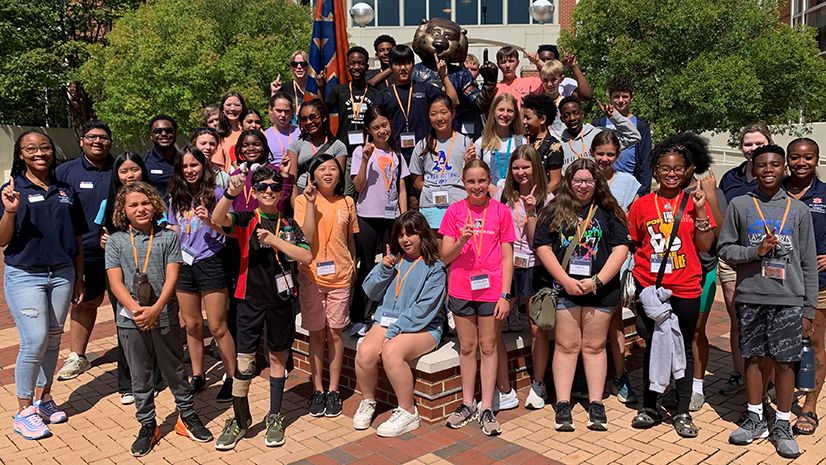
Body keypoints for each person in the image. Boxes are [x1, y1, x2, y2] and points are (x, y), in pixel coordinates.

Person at [719, 145, 818, 459]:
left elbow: (808, 263)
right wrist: (754, 252)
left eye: (775, 164)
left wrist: (808, 307)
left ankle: (783, 423)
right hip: (751, 296)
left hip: (788, 298)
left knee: (785, 362)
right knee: (752, 357)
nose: (769, 170)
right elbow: (725, 249)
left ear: (783, 168)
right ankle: (755, 418)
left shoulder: (798, 210)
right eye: (762, 165)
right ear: (754, 167)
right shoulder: (739, 205)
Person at [105, 182, 212, 456]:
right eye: (133, 205)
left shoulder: (167, 237)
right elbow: (116, 282)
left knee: (174, 369)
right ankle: (147, 424)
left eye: (145, 203)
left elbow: (172, 276)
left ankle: (186, 416)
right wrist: (137, 310)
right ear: (123, 210)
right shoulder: (116, 240)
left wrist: (156, 308)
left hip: (163, 316)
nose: (140, 209)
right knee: (140, 375)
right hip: (131, 319)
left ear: (155, 205)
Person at [211, 165, 312, 450]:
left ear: (281, 192)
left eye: (275, 187)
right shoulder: (246, 218)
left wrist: (275, 240)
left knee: (277, 359)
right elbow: (218, 219)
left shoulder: (289, 223)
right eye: (263, 187)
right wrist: (230, 193)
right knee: (244, 363)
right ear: (253, 192)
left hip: (281, 302)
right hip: (249, 300)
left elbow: (306, 255)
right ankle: (240, 420)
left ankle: (275, 416)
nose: (269, 191)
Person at [627, 137, 715, 438]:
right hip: (651, 288)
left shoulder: (694, 203)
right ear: (655, 170)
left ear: (688, 170)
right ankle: (650, 405)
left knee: (685, 346)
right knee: (651, 343)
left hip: (686, 288)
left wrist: (702, 213)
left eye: (678, 169)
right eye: (665, 168)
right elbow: (638, 243)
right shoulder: (641, 205)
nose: (671, 174)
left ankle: (683, 410)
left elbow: (705, 247)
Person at [534, 158, 630, 431]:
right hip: (565, 290)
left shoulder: (609, 211)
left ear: (597, 183)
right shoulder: (554, 210)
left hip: (600, 291)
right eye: (578, 180)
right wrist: (564, 280)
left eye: (589, 180)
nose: (583, 186)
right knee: (566, 347)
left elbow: (621, 248)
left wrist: (598, 281)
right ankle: (563, 404)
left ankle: (596, 403)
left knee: (595, 347)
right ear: (568, 182)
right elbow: (543, 247)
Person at [2, 130, 86, 440]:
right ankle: (24, 411)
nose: (40, 152)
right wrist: (10, 210)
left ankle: (44, 398)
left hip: (62, 273)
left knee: (53, 339)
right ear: (21, 154)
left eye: (45, 147)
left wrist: (79, 276)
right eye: (31, 148)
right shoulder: (12, 189)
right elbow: (2, 240)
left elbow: (77, 236)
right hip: (25, 275)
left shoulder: (65, 189)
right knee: (34, 340)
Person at [353, 211, 446, 436]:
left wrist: (392, 332)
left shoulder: (436, 267)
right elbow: (370, 291)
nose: (406, 240)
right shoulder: (394, 260)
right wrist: (384, 269)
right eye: (401, 235)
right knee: (364, 353)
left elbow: (423, 310)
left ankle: (408, 411)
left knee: (392, 352)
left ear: (423, 234)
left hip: (424, 327)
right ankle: (368, 401)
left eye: (411, 234)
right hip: (388, 322)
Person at [440, 159, 516, 436]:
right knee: (468, 347)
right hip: (460, 289)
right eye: (471, 181)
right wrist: (460, 241)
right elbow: (444, 256)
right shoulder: (454, 211)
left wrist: (506, 295)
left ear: (489, 182)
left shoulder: (501, 211)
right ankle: (467, 403)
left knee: (488, 346)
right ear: (463, 182)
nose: (476, 186)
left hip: (492, 290)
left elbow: (508, 258)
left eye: (481, 181)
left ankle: (487, 406)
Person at [656, 134, 726, 413]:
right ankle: (676, 385)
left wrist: (708, 197)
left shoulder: (709, 190)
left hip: (702, 271)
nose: (676, 170)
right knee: (671, 332)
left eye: (682, 164)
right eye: (670, 164)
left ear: (691, 165)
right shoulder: (663, 192)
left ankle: (696, 384)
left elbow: (721, 234)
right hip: (669, 274)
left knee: (695, 332)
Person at [167, 147, 235, 402]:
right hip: (184, 265)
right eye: (184, 166)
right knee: (193, 324)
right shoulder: (176, 198)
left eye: (194, 165)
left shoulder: (217, 194)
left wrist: (209, 220)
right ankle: (198, 375)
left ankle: (231, 377)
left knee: (217, 326)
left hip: (210, 261)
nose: (189, 170)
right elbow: (175, 230)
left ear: (203, 167)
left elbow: (229, 228)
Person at [96, 152, 164, 405]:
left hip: (153, 272)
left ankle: (155, 379)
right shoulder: (108, 202)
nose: (130, 175)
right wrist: (105, 243)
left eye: (134, 169)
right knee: (127, 326)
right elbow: (101, 237)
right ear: (117, 174)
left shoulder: (152, 201)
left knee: (155, 324)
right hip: (120, 275)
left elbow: (164, 230)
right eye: (124, 171)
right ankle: (128, 383)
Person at [295, 154, 359, 418]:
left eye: (334, 169)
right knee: (316, 334)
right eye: (322, 169)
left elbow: (350, 240)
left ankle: (334, 390)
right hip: (311, 276)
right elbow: (304, 236)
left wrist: (353, 265)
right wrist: (310, 202)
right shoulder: (301, 201)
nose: (328, 173)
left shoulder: (347, 201)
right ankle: (317, 388)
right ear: (313, 175)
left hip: (340, 276)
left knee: (335, 333)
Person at [55, 120, 116, 382]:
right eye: (92, 137)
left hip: (121, 251)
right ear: (82, 140)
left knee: (125, 304)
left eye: (103, 138)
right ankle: (77, 356)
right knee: (85, 302)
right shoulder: (65, 172)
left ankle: (134, 356)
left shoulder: (122, 168)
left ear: (110, 142)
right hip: (85, 253)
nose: (97, 142)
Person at [493, 145, 552, 407]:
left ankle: (538, 384)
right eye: (516, 167)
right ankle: (503, 388)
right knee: (493, 324)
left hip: (535, 266)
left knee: (537, 329)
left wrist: (531, 211)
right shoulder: (503, 197)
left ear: (535, 167)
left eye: (525, 167)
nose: (520, 172)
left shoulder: (548, 199)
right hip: (507, 265)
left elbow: (535, 240)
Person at [717, 123, 773, 398]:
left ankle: (769, 379)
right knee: (738, 319)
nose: (753, 149)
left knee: (768, 319)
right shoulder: (730, 178)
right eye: (748, 144)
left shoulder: (777, 177)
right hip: (733, 259)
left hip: (769, 258)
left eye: (759, 143)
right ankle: (739, 373)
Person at [350, 106, 410, 337]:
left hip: (392, 218)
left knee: (392, 264)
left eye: (384, 125)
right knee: (366, 267)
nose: (382, 130)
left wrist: (404, 218)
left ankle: (387, 313)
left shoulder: (396, 155)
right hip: (367, 216)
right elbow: (358, 186)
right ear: (368, 130)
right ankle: (360, 317)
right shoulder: (361, 153)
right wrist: (365, 160)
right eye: (376, 127)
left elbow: (401, 188)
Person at [590, 131, 641, 404]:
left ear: (618, 155)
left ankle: (620, 376)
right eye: (600, 153)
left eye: (610, 154)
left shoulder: (627, 183)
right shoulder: (583, 178)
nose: (605, 159)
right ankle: (582, 379)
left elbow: (631, 224)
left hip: (616, 261)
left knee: (615, 320)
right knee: (585, 321)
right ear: (592, 152)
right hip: (585, 262)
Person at [782, 138, 826, 435]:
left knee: (814, 344)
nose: (801, 163)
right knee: (779, 344)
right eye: (795, 157)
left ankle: (809, 405)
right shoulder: (773, 189)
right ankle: (779, 396)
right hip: (777, 282)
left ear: (817, 160)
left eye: (807, 157)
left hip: (817, 283)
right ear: (787, 160)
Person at [372, 45, 448, 163]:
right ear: (391, 67)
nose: (403, 68)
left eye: (407, 63)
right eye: (398, 64)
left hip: (425, 153)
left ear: (413, 65)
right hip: (395, 155)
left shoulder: (425, 89)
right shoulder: (384, 95)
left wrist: (443, 76)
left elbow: (453, 101)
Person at [320, 46, 378, 196]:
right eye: (352, 63)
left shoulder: (375, 93)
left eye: (361, 63)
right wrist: (321, 88)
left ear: (367, 66)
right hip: (345, 151)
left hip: (369, 151)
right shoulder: (339, 90)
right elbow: (321, 111)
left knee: (367, 192)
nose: (356, 67)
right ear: (347, 66)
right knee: (345, 194)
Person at [409, 94, 471, 230]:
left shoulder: (465, 142)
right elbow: (416, 180)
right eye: (433, 114)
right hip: (431, 207)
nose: (439, 118)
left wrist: (469, 162)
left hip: (459, 205)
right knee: (435, 248)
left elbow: (472, 176)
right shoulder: (422, 145)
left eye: (444, 112)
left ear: (453, 113)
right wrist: (428, 189)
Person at [591, 75, 652, 196]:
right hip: (604, 184)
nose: (620, 100)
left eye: (624, 96)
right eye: (616, 96)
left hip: (629, 184)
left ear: (631, 97)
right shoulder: (599, 124)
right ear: (610, 98)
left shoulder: (641, 126)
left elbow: (646, 162)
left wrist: (643, 192)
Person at [286, 99, 348, 207]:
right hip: (302, 196)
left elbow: (339, 181)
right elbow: (292, 183)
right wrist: (298, 208)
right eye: (304, 119)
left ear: (323, 117)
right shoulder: (295, 145)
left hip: (329, 199)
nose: (309, 122)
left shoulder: (338, 147)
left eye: (313, 117)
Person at [558, 96, 641, 172]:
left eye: (576, 113)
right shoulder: (558, 145)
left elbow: (633, 136)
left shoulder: (599, 135)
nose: (572, 118)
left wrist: (615, 117)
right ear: (562, 119)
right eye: (566, 115)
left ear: (582, 114)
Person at [470, 93, 527, 189]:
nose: (505, 114)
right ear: (493, 112)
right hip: (489, 197)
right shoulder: (481, 143)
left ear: (515, 114)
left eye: (510, 111)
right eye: (501, 110)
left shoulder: (521, 143)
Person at [521, 93, 564, 192]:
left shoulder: (554, 146)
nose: (524, 121)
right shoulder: (525, 141)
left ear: (542, 119)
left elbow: (555, 182)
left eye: (528, 118)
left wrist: (537, 199)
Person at [229, 130, 280, 212]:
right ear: (240, 149)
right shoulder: (235, 175)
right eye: (245, 145)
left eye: (256, 144)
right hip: (240, 223)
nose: (251, 148)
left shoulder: (276, 172)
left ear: (264, 147)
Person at [143, 114, 179, 200]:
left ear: (175, 134)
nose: (163, 134)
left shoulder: (185, 160)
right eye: (157, 131)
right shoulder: (143, 161)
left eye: (168, 130)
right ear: (151, 136)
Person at [271, 51, 311, 123]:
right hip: (290, 131)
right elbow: (273, 119)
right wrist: (274, 92)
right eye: (295, 64)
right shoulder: (284, 88)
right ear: (291, 68)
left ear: (308, 67)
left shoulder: (314, 88)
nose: (299, 67)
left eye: (303, 64)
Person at [265, 92, 301, 167]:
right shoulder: (265, 135)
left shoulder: (300, 132)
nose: (283, 115)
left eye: (286, 111)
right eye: (279, 111)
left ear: (292, 111)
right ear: (271, 110)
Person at [214, 91, 247, 174]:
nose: (232, 109)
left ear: (243, 108)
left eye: (237, 105)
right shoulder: (218, 136)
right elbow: (219, 167)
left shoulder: (253, 131)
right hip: (231, 181)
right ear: (222, 110)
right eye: (228, 105)